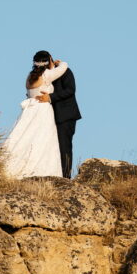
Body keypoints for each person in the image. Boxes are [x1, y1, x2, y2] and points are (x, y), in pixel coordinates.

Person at [1, 53, 69, 178]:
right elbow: (64, 67)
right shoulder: (46, 75)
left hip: (29, 110)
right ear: (48, 61)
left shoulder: (30, 76)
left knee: (25, 136)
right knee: (43, 138)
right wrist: (58, 64)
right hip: (42, 109)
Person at [38, 49, 81, 178]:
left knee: (64, 146)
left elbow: (70, 90)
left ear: (50, 59)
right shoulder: (42, 74)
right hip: (49, 116)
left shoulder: (65, 71)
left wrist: (50, 97)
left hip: (66, 115)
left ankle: (66, 177)